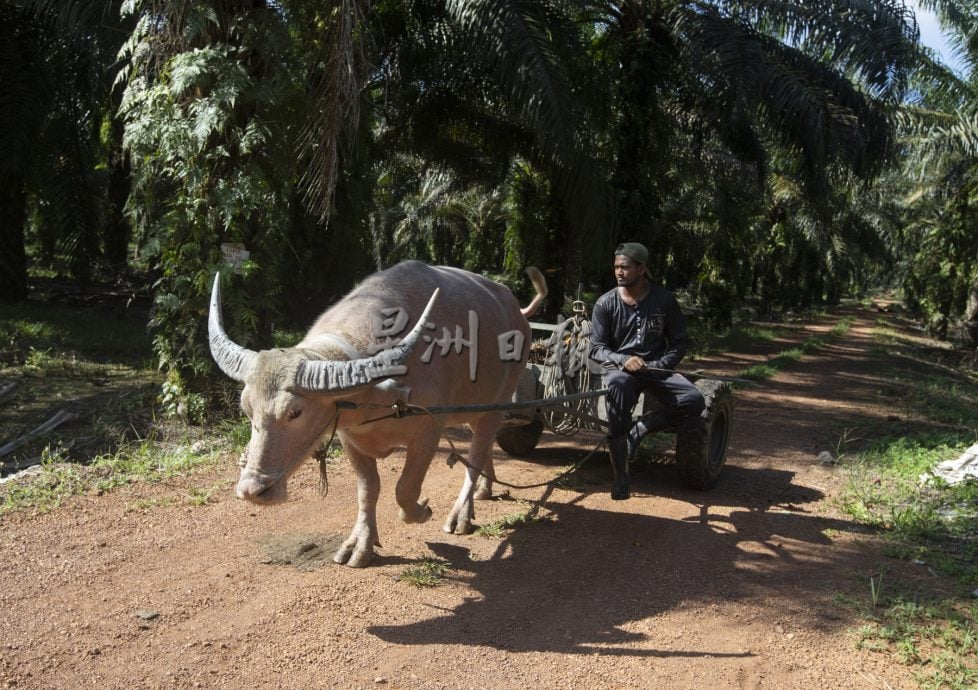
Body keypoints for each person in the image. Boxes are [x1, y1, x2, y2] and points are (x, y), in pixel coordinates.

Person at [589, 242, 705, 500]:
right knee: (617, 388)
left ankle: (641, 429)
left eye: (626, 267)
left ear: (642, 269)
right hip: (623, 372)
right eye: (617, 267)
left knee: (694, 400)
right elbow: (596, 348)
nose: (619, 272)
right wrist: (623, 359)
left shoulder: (664, 300)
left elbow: (679, 343)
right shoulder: (605, 303)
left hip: (656, 368)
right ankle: (621, 477)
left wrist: (661, 366)